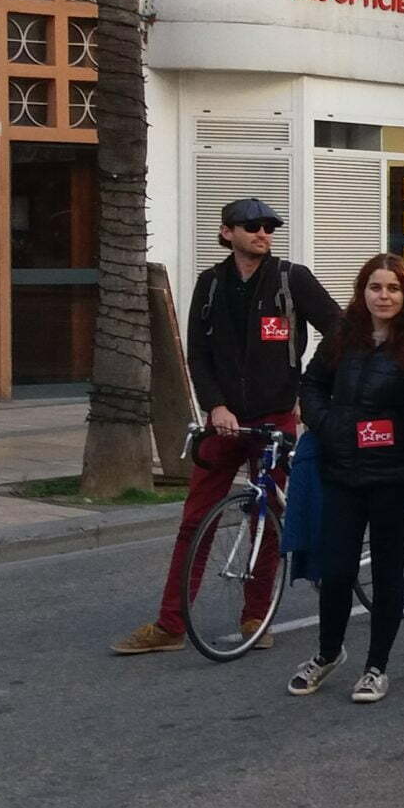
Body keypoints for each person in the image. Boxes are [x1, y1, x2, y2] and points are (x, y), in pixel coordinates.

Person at [113, 197, 341, 656]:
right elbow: (197, 353)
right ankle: (171, 625)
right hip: (225, 421)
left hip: (275, 417)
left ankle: (256, 615)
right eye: (251, 226)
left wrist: (306, 386)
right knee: (195, 518)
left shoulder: (290, 279)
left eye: (268, 227)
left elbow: (339, 327)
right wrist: (215, 406)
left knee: (265, 518)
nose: (262, 233)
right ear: (226, 233)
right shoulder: (211, 284)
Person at [287, 255, 404, 703]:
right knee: (336, 570)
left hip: (396, 479)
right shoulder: (343, 335)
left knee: (386, 572)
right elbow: (312, 384)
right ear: (363, 292)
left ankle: (375, 667)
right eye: (376, 287)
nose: (384, 296)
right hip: (342, 473)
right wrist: (329, 424)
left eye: (394, 289)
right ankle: (327, 654)